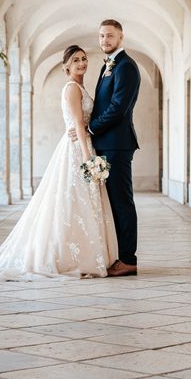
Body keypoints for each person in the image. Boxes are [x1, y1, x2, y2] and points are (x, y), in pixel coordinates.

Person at [0, 45, 118, 280]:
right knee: (72, 199)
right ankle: (70, 257)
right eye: (75, 60)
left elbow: (83, 125)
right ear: (66, 67)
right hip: (77, 149)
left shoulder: (80, 87)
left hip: (83, 144)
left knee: (80, 201)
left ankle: (84, 253)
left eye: (83, 59)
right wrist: (86, 154)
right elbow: (78, 125)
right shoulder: (72, 88)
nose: (81, 63)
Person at [70, 19, 141, 277]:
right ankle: (116, 256)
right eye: (101, 36)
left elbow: (118, 108)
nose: (104, 41)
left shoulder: (126, 67)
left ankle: (128, 259)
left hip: (118, 145)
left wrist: (89, 129)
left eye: (110, 36)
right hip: (105, 143)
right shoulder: (108, 66)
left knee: (122, 202)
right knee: (111, 202)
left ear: (121, 37)